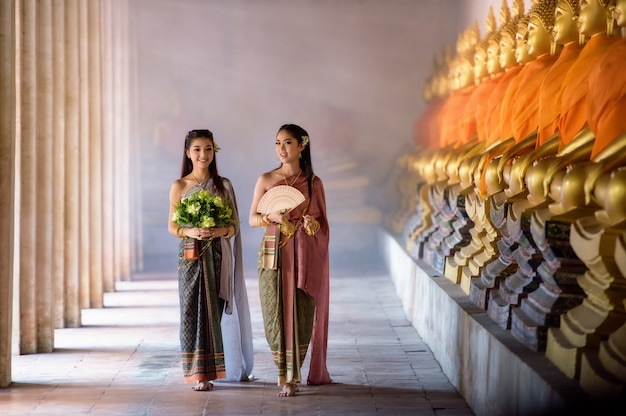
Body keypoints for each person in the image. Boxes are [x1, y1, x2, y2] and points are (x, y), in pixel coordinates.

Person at [248, 124, 331, 397]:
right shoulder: (266, 179)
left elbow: (321, 226)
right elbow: (251, 219)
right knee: (275, 313)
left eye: (287, 143)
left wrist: (310, 224)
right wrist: (271, 217)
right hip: (273, 253)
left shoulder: (313, 183)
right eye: (278, 143)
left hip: (303, 255)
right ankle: (282, 373)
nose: (281, 149)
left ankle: (292, 377)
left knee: (301, 312)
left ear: (301, 146)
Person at [168, 129, 254, 391]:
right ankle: (196, 374)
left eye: (208, 149)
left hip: (217, 256)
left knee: (213, 311)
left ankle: (212, 370)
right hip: (190, 258)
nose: (203, 154)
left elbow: (233, 227)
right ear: (188, 153)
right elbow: (172, 226)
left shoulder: (223, 185)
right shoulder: (179, 186)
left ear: (213, 152)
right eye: (197, 149)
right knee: (191, 312)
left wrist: (217, 232)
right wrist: (190, 231)